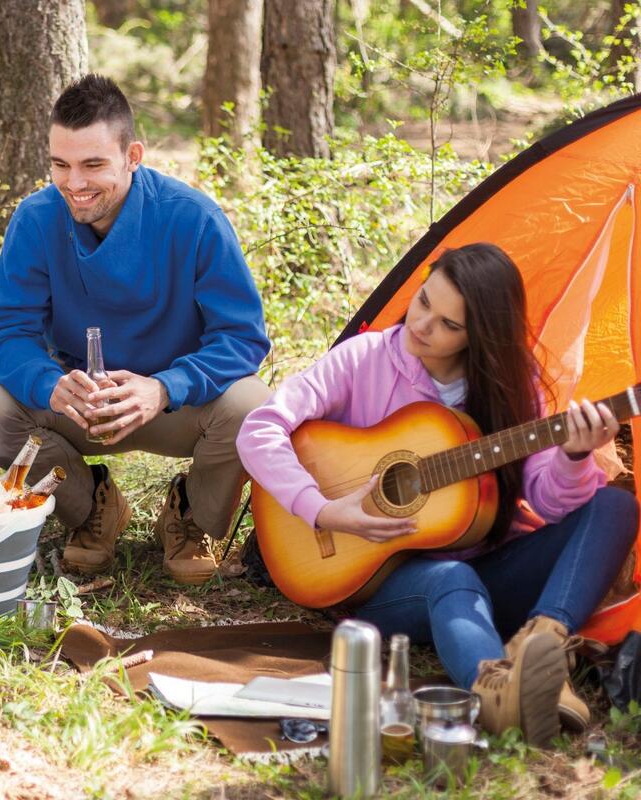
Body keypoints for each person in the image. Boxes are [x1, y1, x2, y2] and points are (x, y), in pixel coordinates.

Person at [237, 243, 639, 746]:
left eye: (449, 324)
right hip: (383, 582)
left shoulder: (514, 388)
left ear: (482, 337)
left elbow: (550, 501)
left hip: (492, 566)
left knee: (616, 504)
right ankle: (497, 694)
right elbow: (260, 430)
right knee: (452, 576)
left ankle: (542, 647)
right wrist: (322, 510)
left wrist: (574, 456)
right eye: (424, 300)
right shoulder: (365, 359)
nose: (422, 325)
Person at [0, 74, 270, 586]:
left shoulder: (193, 218)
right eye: (60, 164)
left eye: (92, 165)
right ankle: (92, 509)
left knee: (253, 409)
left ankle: (191, 514)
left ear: (133, 155)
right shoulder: (36, 220)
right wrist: (51, 385)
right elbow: (10, 333)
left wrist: (165, 387)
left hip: (177, 403)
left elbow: (242, 337)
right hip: (83, 402)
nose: (74, 183)